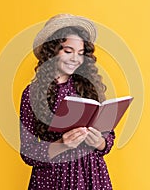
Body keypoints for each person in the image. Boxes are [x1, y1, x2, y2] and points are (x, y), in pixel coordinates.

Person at [19, 14, 115, 190]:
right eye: (68, 51)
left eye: (80, 53)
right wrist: (62, 144)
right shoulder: (31, 94)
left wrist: (98, 142)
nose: (75, 59)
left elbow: (108, 140)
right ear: (52, 51)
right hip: (52, 178)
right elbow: (27, 152)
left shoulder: (90, 87)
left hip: (91, 175)